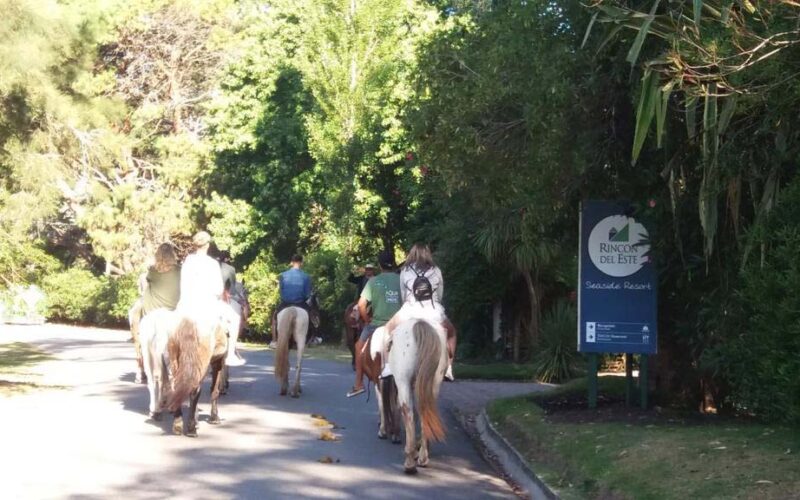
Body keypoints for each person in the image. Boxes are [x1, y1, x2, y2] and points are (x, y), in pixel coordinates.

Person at [383, 243, 456, 381]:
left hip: (410, 311)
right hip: (433, 312)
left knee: (387, 329)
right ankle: (449, 368)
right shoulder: (436, 270)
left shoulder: (405, 270)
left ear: (412, 254)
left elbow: (403, 295)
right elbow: (440, 295)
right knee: (452, 334)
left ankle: (387, 366)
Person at [177, 231, 245, 367]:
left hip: (187, 303)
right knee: (235, 319)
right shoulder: (212, 263)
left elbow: (183, 285)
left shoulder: (187, 261)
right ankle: (230, 354)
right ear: (207, 245)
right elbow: (219, 289)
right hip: (207, 304)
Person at [347, 250, 401, 398]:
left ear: (379, 265)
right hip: (400, 326)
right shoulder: (402, 280)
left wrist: (366, 320)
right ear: (394, 262)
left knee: (358, 346)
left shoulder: (373, 281)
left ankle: (358, 384)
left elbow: (362, 305)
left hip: (377, 324)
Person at [129, 242, 181, 383]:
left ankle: (136, 334)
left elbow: (145, 288)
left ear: (157, 255)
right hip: (173, 309)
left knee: (135, 310)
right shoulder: (179, 270)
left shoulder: (152, 271)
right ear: (173, 255)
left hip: (152, 309)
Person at [271, 254, 312, 343]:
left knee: (274, 318)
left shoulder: (283, 275)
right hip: (300, 303)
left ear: (292, 262)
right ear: (301, 263)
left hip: (286, 302)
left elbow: (281, 291)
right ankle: (313, 337)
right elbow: (307, 294)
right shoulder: (306, 277)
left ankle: (274, 340)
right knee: (313, 316)